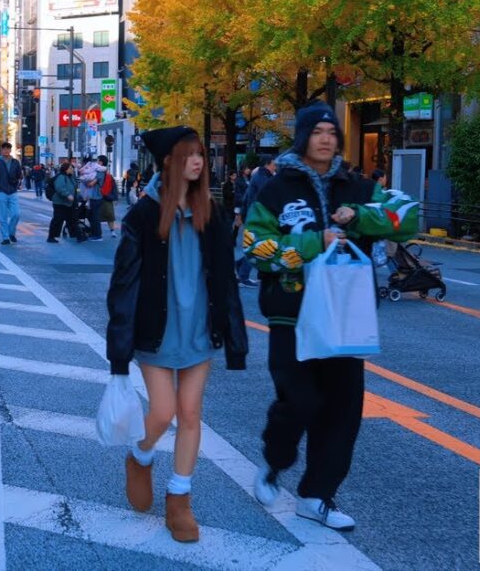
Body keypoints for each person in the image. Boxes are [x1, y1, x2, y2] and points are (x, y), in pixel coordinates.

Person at [242, 101, 418, 532]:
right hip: (292, 316)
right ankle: (274, 462)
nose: (326, 139)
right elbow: (254, 246)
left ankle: (317, 495)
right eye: (317, 131)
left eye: (332, 132)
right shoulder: (275, 189)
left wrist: (361, 215)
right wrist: (311, 244)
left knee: (343, 411)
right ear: (302, 137)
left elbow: (408, 218)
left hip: (345, 317)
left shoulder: (356, 186)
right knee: (299, 401)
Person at [107, 126, 248, 543]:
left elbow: (226, 281)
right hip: (157, 331)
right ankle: (140, 456)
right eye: (189, 154)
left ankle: (179, 499)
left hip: (198, 332)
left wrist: (234, 335)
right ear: (168, 161)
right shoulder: (144, 215)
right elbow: (123, 284)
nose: (198, 161)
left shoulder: (212, 212)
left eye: (201, 154)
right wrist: (118, 350)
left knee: (190, 414)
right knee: (163, 412)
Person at [236, 155, 275, 288]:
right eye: (274, 163)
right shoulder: (263, 177)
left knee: (254, 246)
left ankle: (240, 267)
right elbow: (268, 198)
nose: (275, 165)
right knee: (255, 247)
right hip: (257, 217)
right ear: (268, 163)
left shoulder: (259, 175)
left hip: (253, 215)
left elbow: (247, 196)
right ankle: (243, 276)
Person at [0, 141, 23, 245]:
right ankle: (5, 237)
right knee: (2, 216)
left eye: (8, 148)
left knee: (16, 214)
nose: (6, 150)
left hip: (13, 191)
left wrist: (17, 184)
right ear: (1, 150)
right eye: (4, 149)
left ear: (10, 150)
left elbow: (19, 174)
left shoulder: (15, 162)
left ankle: (11, 233)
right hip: (1, 191)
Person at [46, 160, 81, 243]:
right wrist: (67, 195)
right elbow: (60, 187)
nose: (72, 170)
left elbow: (76, 188)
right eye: (71, 168)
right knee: (58, 219)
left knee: (73, 219)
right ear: (66, 169)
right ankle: (51, 237)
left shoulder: (71, 177)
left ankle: (78, 235)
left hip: (70, 202)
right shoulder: (61, 177)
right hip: (60, 202)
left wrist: (79, 196)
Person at [95, 155, 119, 238]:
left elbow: (113, 186)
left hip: (104, 197)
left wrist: (115, 198)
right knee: (102, 215)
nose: (96, 162)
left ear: (101, 162)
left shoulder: (106, 175)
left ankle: (111, 231)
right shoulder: (101, 173)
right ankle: (99, 232)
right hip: (102, 196)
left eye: (97, 161)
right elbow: (114, 187)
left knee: (109, 215)